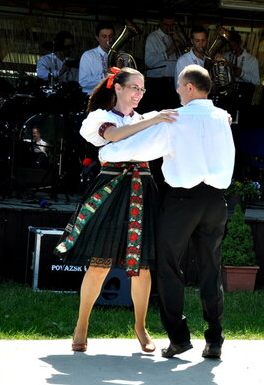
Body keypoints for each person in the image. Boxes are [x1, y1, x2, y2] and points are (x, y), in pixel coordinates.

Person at [98, 65, 235, 360]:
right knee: (211, 268)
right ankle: (215, 339)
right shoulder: (222, 117)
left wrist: (105, 153)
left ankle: (179, 337)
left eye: (178, 86)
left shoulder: (176, 118)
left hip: (183, 200)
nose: (176, 91)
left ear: (188, 87)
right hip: (215, 200)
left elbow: (142, 149)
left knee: (169, 266)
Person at [54, 67, 178, 353]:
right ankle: (81, 325)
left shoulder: (146, 119)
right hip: (112, 187)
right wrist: (154, 120)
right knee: (99, 263)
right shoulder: (101, 117)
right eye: (134, 87)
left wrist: (217, 121)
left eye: (142, 89)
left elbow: (178, 125)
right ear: (118, 88)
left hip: (143, 187)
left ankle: (140, 326)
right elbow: (113, 135)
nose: (139, 94)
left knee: (142, 266)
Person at [143, 11, 183, 110]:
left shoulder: (175, 36)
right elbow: (149, 62)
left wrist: (181, 42)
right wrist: (170, 50)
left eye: (172, 25)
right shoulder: (152, 38)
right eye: (166, 25)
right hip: (157, 83)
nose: (169, 28)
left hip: (173, 82)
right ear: (160, 23)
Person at [79, 22, 115, 94]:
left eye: (110, 36)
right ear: (97, 38)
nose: (108, 40)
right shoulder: (88, 55)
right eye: (104, 37)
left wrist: (122, 70)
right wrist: (105, 76)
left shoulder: (121, 55)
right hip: (94, 99)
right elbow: (83, 82)